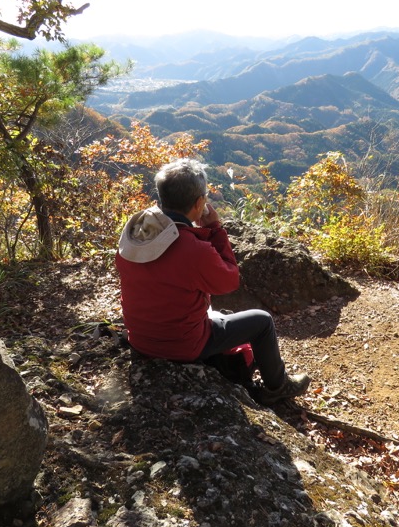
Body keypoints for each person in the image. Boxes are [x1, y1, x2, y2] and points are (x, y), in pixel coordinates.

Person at [115, 158, 310, 404]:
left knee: (213, 311)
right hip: (182, 345)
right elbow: (229, 281)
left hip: (140, 339)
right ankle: (277, 386)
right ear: (199, 203)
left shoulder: (136, 233)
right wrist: (215, 228)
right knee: (262, 322)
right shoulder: (191, 248)